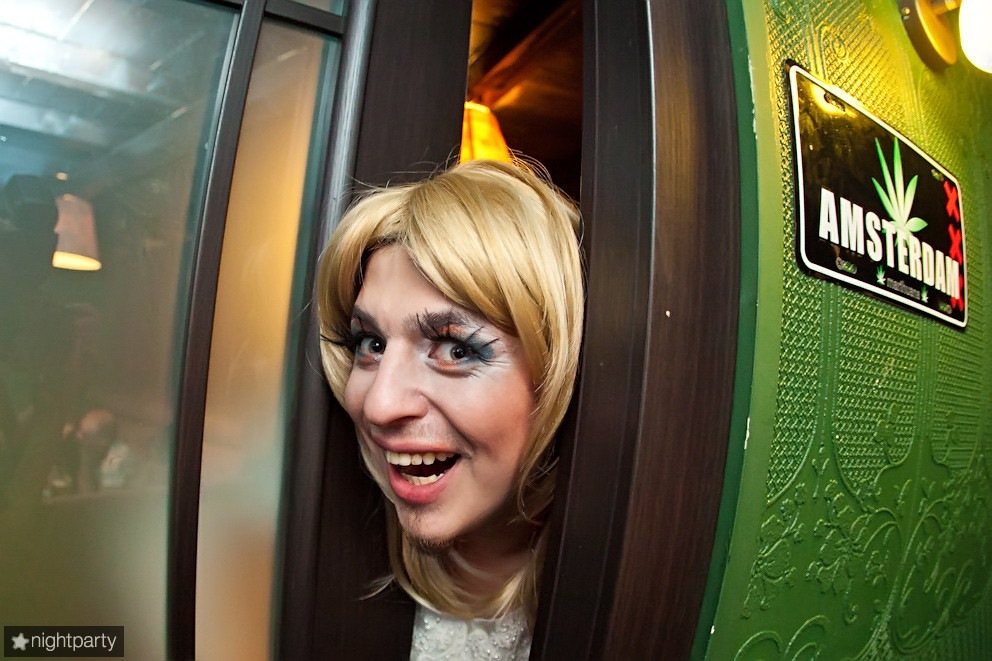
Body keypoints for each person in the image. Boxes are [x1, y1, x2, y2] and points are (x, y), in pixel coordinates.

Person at [316, 158, 584, 659]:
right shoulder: (322, 562)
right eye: (371, 344)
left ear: (560, 371)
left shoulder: (617, 602)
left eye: (456, 350)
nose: (379, 405)